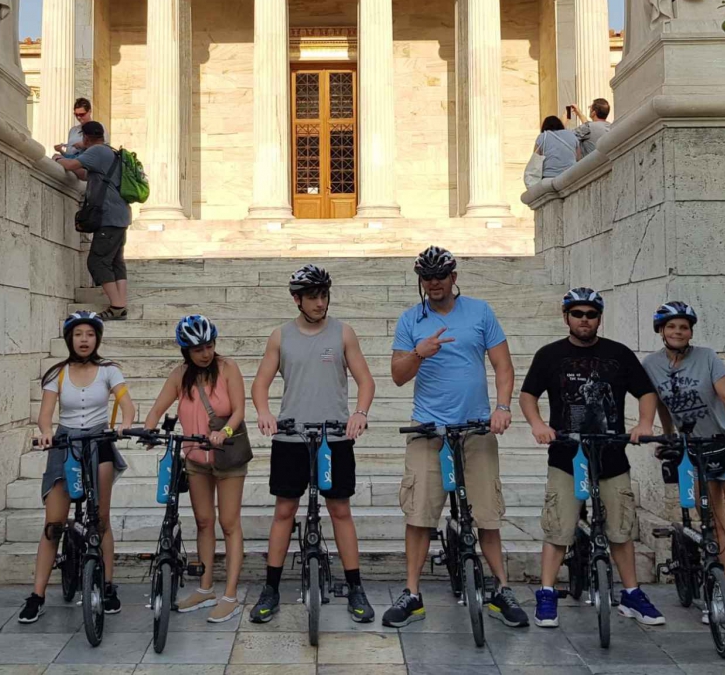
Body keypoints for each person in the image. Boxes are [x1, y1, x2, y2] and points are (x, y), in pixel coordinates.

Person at [383, 247, 529, 630]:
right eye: (427, 277)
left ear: (453, 276)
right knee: (418, 514)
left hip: (476, 428)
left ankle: (502, 588)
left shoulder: (480, 312)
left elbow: (503, 365)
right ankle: (412, 594)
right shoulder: (411, 319)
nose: (434, 283)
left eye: (440, 276)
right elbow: (398, 375)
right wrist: (420, 351)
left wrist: (502, 407)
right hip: (428, 430)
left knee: (487, 514)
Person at [519, 287, 665, 629]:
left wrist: (644, 423)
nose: (584, 320)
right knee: (559, 528)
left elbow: (646, 392)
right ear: (566, 316)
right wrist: (539, 424)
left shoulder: (618, 354)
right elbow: (528, 396)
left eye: (591, 314)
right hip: (567, 456)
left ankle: (631, 593)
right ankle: (546, 593)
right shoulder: (549, 355)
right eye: (578, 314)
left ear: (599, 318)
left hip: (612, 455)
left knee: (621, 528)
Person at [249, 265, 377, 625]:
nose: (320, 303)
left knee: (340, 511)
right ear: (297, 300)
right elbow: (260, 382)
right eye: (313, 297)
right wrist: (264, 412)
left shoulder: (343, 333)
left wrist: (360, 413)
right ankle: (271, 588)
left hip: (334, 437)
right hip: (290, 436)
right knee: (284, 512)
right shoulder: (281, 336)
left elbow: (365, 380)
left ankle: (355, 587)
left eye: (324, 295)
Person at [642, 301, 725, 629]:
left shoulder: (707, 357)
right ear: (661, 331)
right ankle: (719, 594)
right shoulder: (651, 364)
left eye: (683, 327)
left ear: (690, 331)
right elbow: (662, 404)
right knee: (713, 526)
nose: (678, 332)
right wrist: (667, 436)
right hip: (696, 452)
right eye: (671, 327)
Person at [19, 311, 135, 624]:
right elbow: (46, 414)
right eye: (78, 334)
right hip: (65, 442)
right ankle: (37, 594)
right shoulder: (57, 372)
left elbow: (127, 404)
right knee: (53, 523)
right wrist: (45, 431)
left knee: (102, 520)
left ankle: (108, 585)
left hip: (99, 441)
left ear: (97, 338)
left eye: (90, 334)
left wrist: (124, 425)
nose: (84, 340)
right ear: (70, 338)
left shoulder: (109, 370)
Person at [142, 315, 248, 623]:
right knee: (203, 521)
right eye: (198, 348)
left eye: (209, 346)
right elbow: (158, 407)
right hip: (195, 459)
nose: (205, 353)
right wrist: (149, 430)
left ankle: (230, 594)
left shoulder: (228, 368)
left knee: (229, 523)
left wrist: (224, 432)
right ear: (185, 350)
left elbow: (239, 410)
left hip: (227, 456)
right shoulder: (180, 375)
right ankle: (205, 588)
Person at [57, 121, 130, 321]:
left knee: (97, 261)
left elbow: (72, 165)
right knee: (116, 262)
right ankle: (121, 305)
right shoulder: (109, 152)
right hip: (120, 215)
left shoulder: (97, 151)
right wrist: (70, 164)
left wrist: (58, 159)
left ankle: (116, 305)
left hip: (108, 216)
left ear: (86, 138)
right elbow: (84, 174)